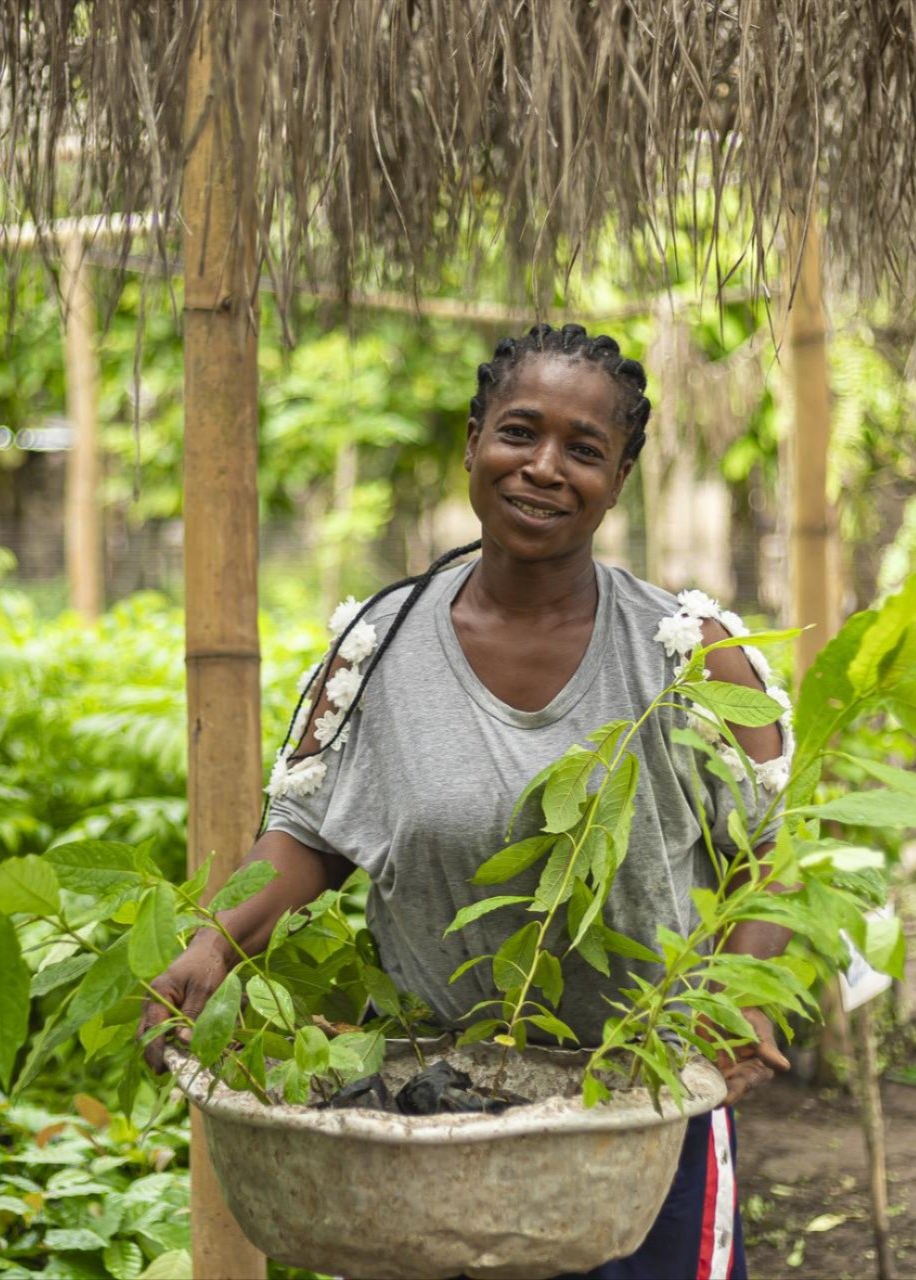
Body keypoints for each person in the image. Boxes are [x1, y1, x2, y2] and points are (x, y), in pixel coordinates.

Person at [140, 323, 794, 1280]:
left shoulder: (689, 656)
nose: (544, 468)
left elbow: (770, 855)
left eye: (584, 450)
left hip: (642, 1113)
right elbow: (308, 834)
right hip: (429, 1116)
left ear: (619, 479)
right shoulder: (375, 650)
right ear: (473, 442)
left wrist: (738, 998)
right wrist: (216, 940)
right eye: (519, 432)